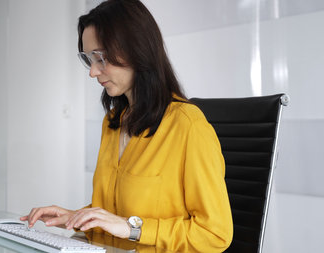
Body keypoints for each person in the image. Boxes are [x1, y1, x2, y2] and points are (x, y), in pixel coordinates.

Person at [20, 0, 233, 251]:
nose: (92, 72)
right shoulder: (112, 122)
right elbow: (116, 214)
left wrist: (132, 228)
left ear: (136, 49)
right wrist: (75, 217)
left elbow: (214, 234)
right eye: (89, 59)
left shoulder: (188, 126)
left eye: (101, 57)